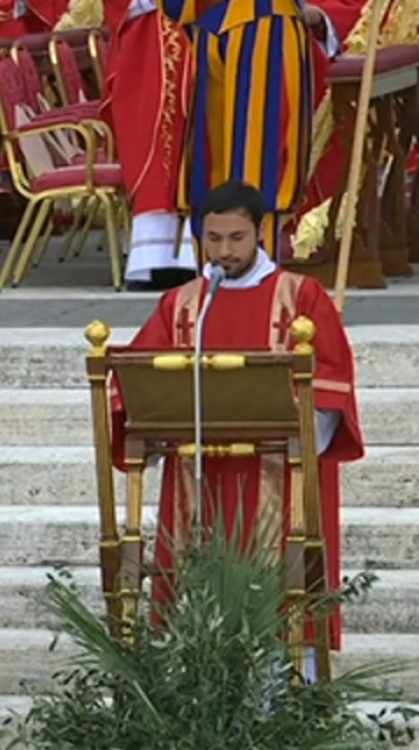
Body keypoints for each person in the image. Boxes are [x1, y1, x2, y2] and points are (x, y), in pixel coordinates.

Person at [112, 181, 363, 676]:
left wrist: (299, 434)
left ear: (260, 233)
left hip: (278, 473)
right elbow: (137, 382)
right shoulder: (184, 305)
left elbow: (330, 385)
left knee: (280, 590)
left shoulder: (301, 297)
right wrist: (153, 427)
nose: (224, 251)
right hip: (199, 475)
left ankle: (290, 695)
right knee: (196, 584)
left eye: (236, 238)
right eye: (214, 239)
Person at [163, 0, 336, 258]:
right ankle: (249, 271)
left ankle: (219, 270)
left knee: (219, 162)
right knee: (257, 165)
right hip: (263, 24)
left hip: (212, 25)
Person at [104, 0, 197, 289]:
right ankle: (156, 259)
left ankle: (196, 254)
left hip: (206, 45)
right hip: (150, 57)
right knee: (157, 160)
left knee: (200, 152)